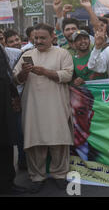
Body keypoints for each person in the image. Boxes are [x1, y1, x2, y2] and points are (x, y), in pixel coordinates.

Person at [13, 23, 74, 193]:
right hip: (33, 105)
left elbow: (68, 75)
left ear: (52, 37)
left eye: (42, 38)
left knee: (58, 141)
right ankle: (37, 177)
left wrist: (45, 72)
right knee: (35, 142)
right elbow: (16, 79)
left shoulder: (62, 53)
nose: (38, 41)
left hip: (56, 104)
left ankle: (60, 175)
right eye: (36, 38)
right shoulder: (27, 54)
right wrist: (24, 74)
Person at [0, 45, 27, 195]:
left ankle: (7, 183)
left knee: (6, 144)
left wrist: (14, 96)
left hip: (4, 105)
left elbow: (7, 75)